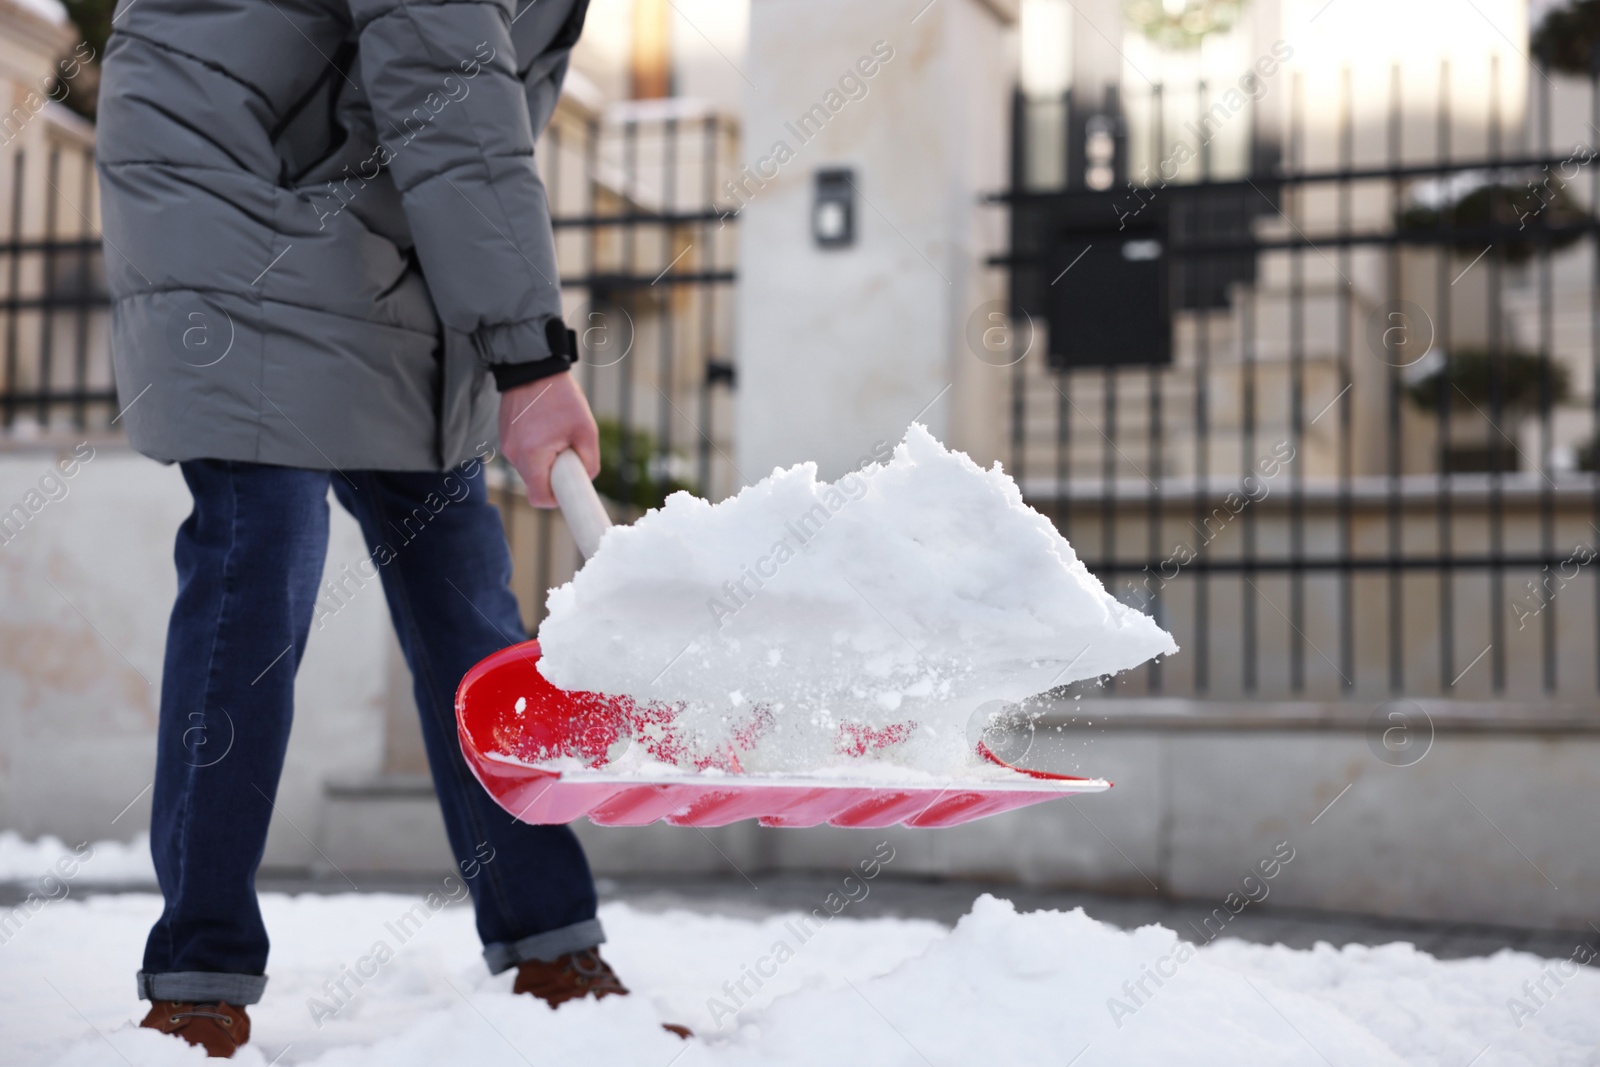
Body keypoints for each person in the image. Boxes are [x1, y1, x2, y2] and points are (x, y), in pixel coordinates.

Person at [95, 0, 635, 1056]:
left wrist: (494, 328)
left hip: (371, 216)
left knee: (466, 589)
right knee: (263, 544)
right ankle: (197, 974)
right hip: (234, 179)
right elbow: (445, 71)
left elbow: (460, 104)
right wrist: (529, 357)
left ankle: (548, 940)